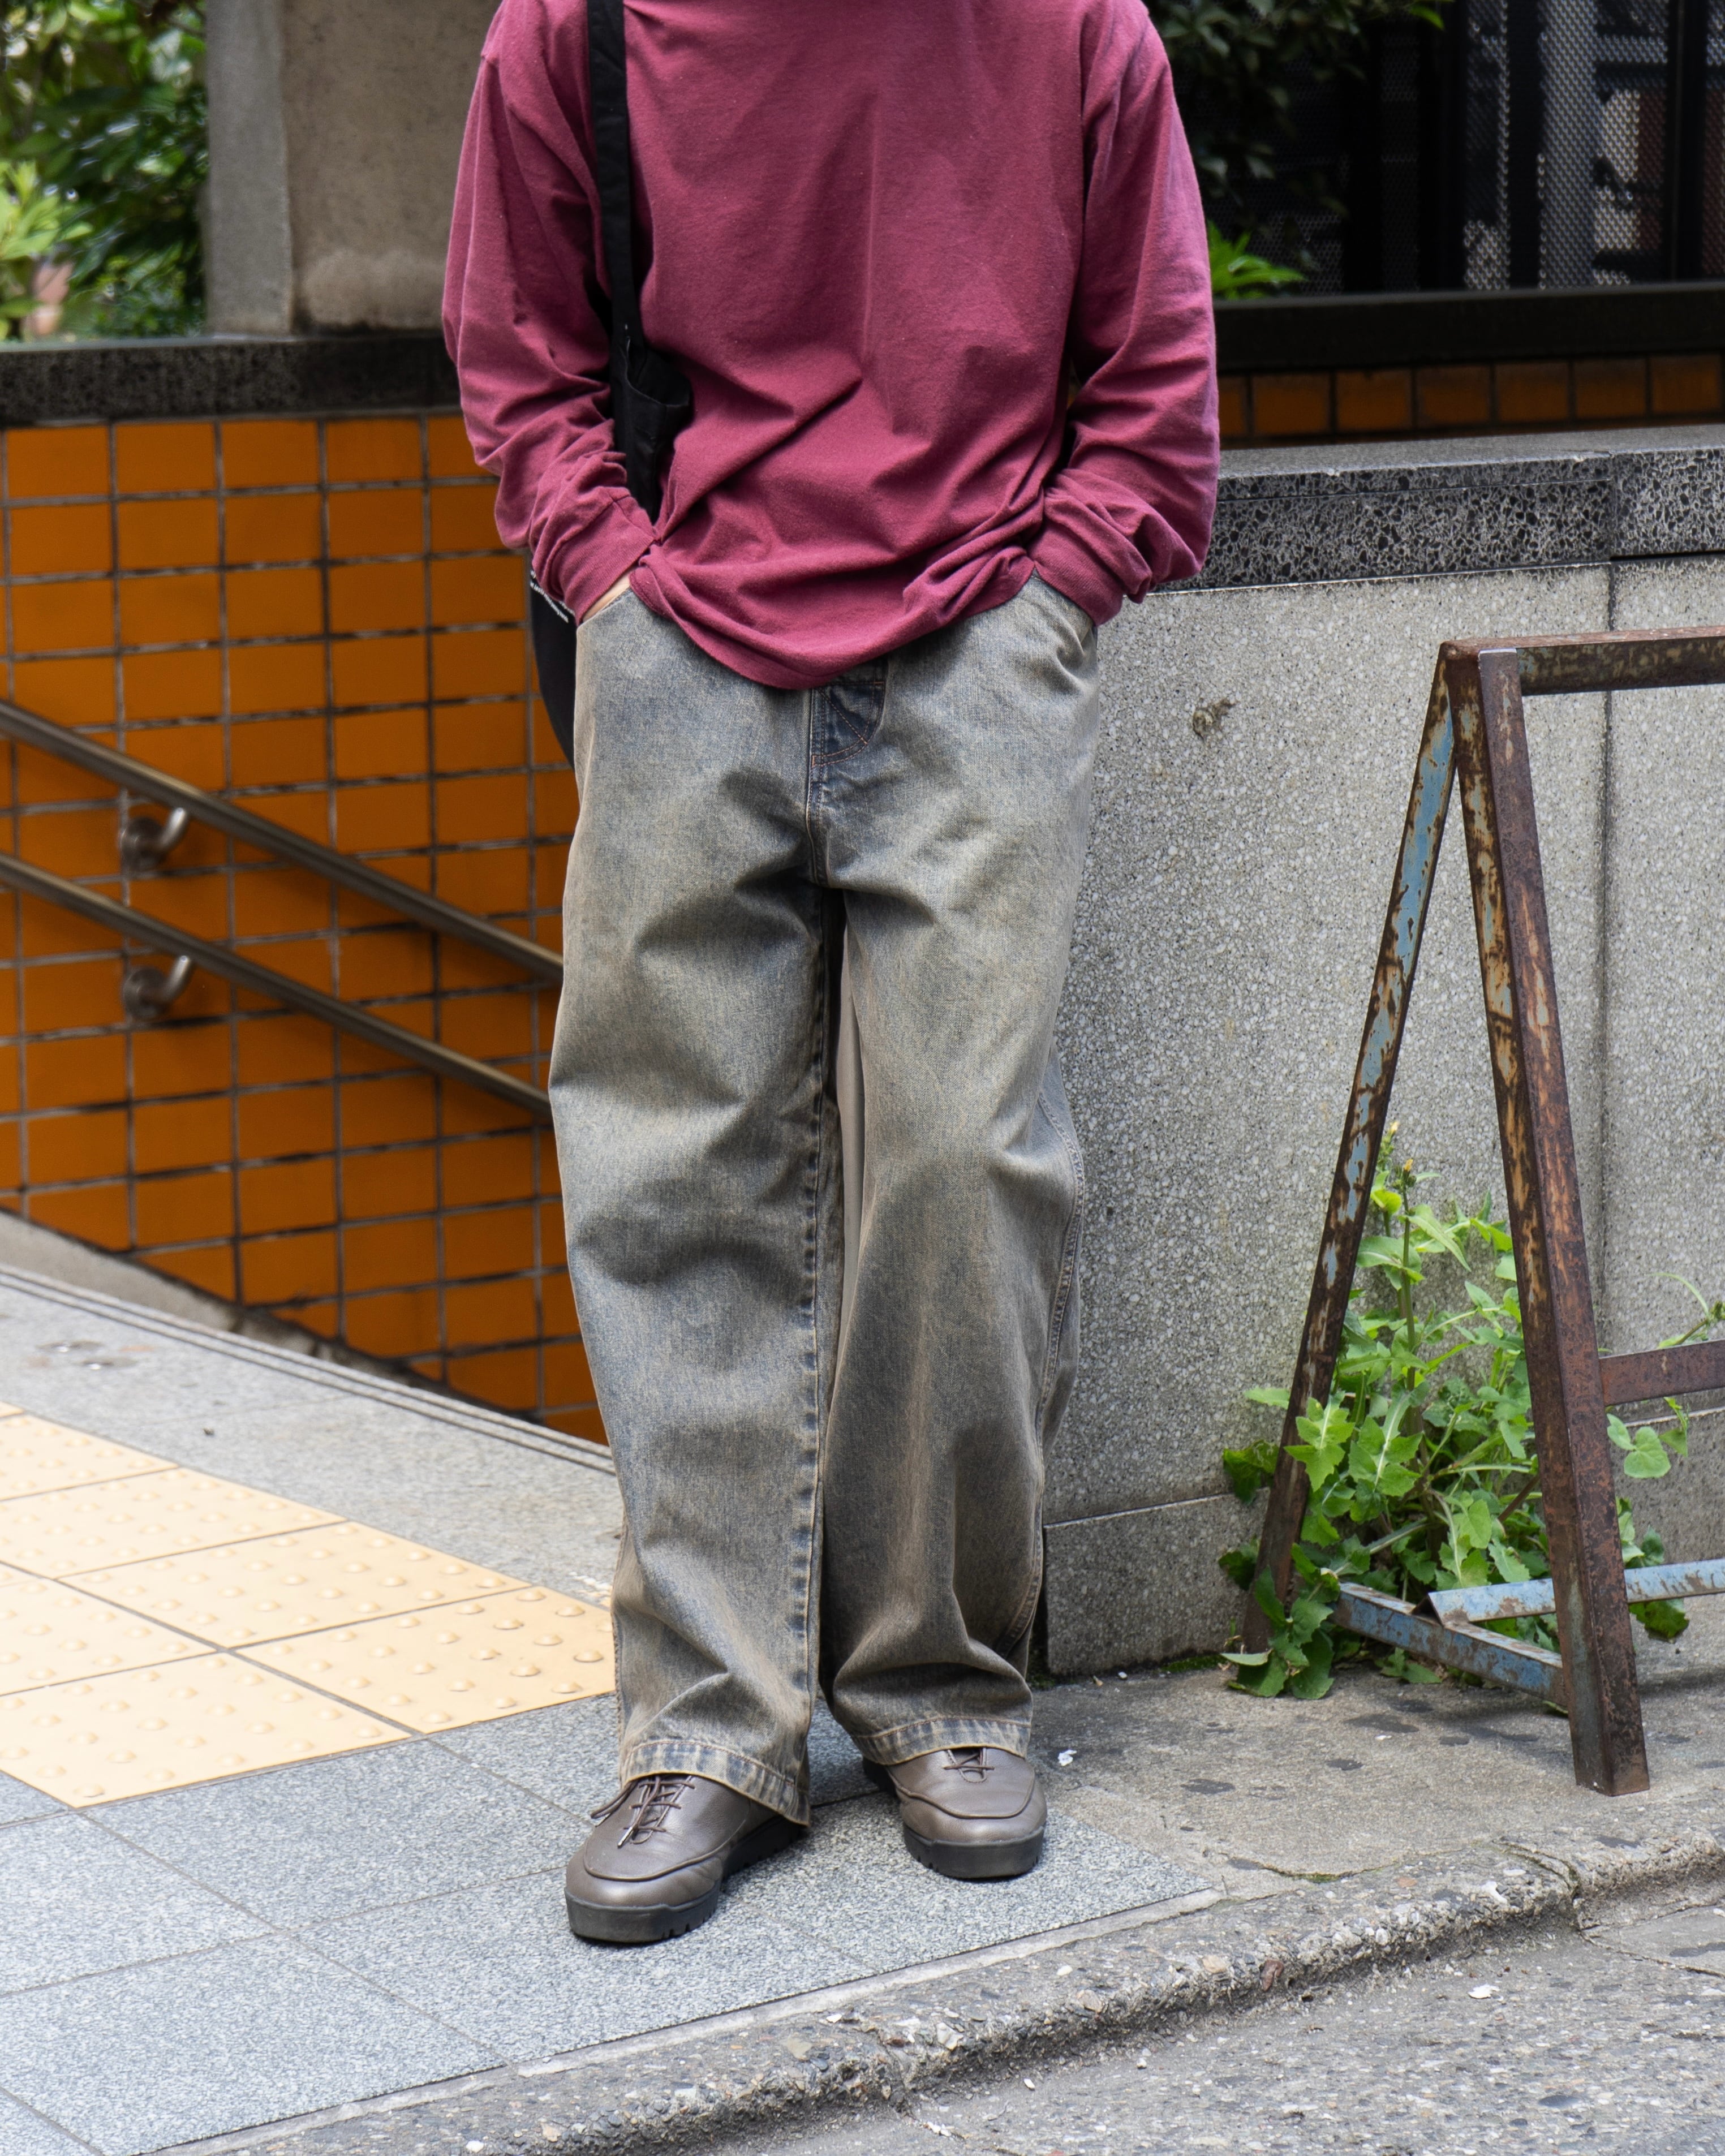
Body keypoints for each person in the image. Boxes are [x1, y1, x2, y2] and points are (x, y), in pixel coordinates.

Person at [444, 0, 1218, 1946]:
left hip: (976, 647)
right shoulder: (579, 25)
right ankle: (708, 1726)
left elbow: (1154, 389)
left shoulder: (1072, 30)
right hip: (679, 641)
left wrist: (1053, 589)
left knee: (964, 1158)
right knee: (672, 1170)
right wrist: (608, 571)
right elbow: (518, 349)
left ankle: (943, 1685)